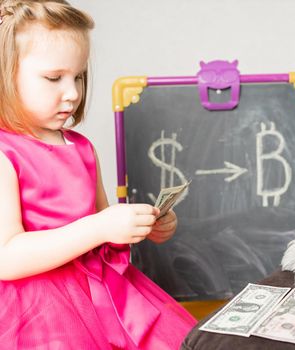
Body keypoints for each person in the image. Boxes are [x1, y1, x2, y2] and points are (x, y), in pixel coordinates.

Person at [0, 1, 197, 348]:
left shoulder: (81, 147)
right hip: (41, 311)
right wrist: (99, 226)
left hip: (105, 289)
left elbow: (104, 229)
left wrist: (137, 226)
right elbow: (7, 257)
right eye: (53, 78)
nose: (73, 92)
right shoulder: (5, 153)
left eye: (78, 76)